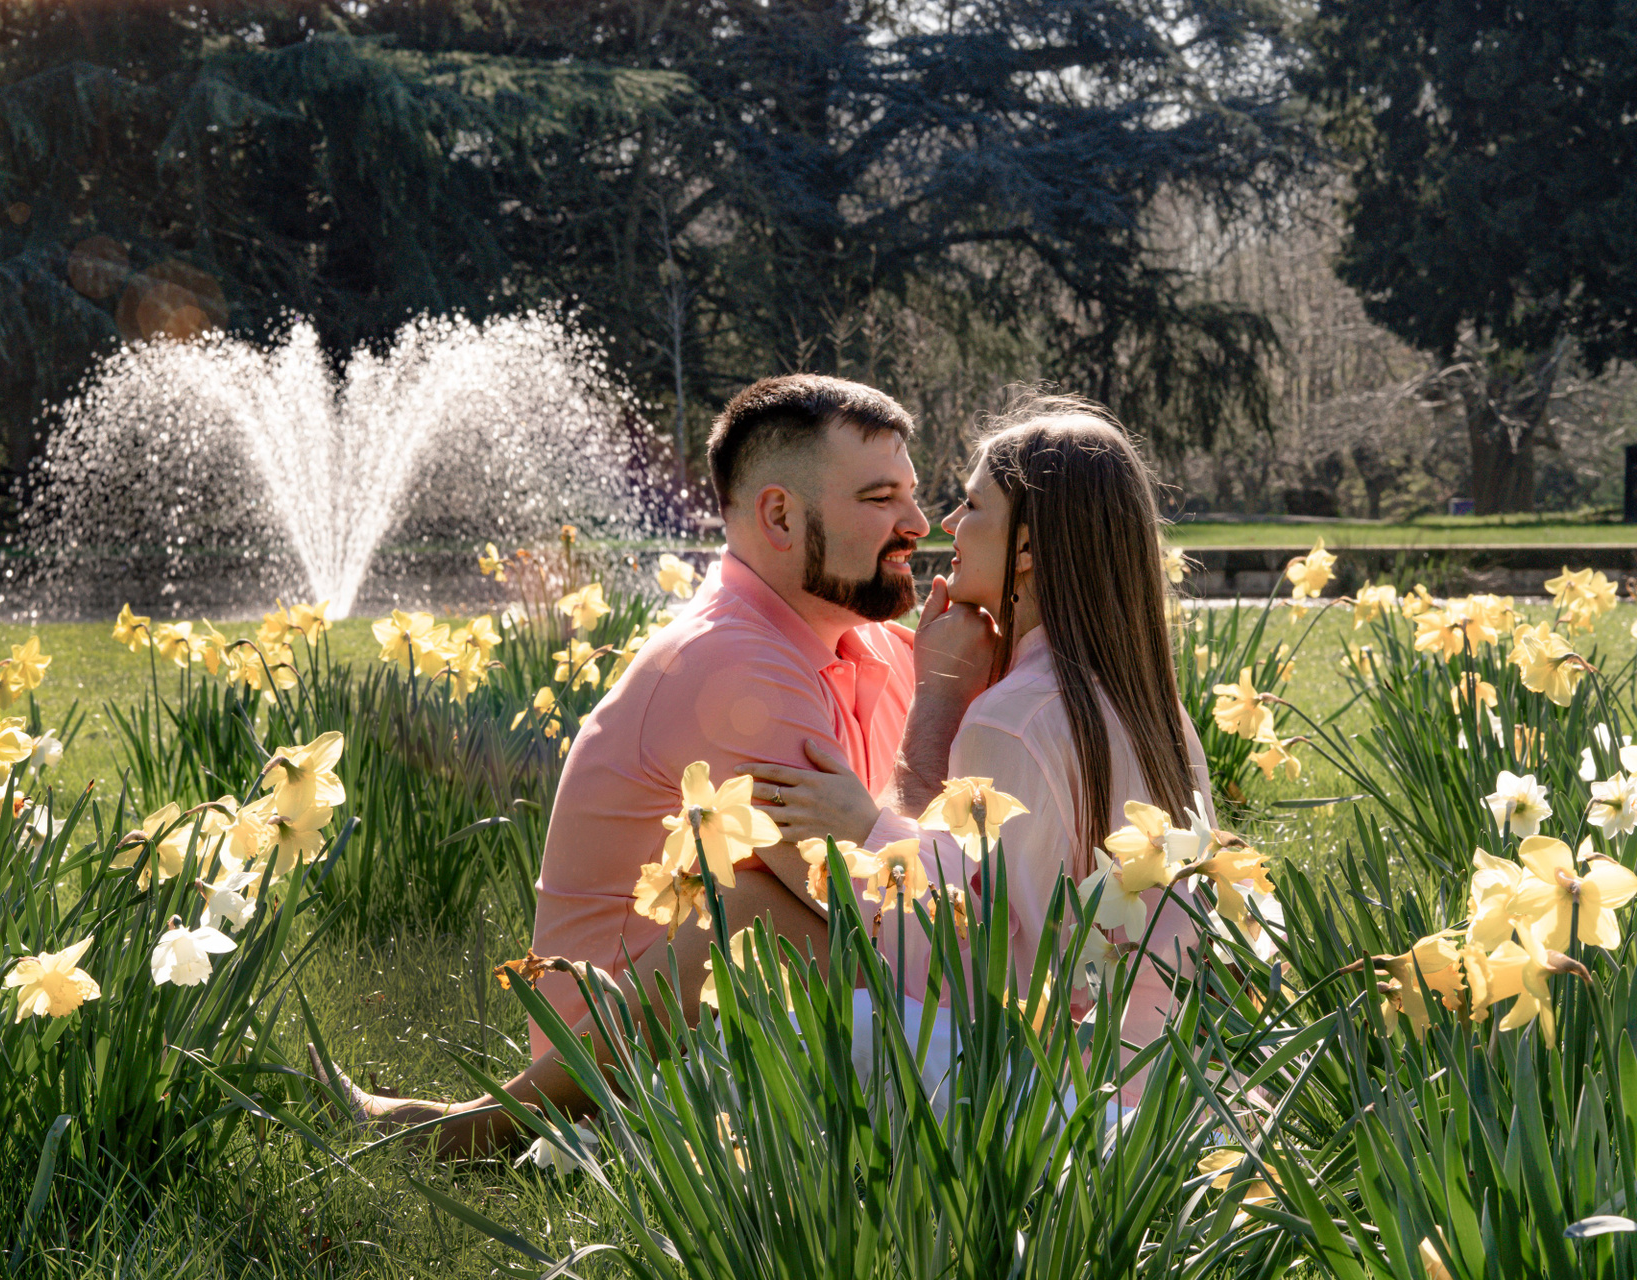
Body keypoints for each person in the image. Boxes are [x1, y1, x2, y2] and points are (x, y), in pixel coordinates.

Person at [312, 373, 998, 1152]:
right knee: (758, 914)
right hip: (636, 1073)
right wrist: (940, 710)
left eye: (913, 495)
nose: (917, 525)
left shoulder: (874, 646)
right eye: (880, 499)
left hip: (746, 1031)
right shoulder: (733, 668)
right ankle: (488, 1129)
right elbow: (892, 918)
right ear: (780, 515)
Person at [752, 390, 1214, 1103]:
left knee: (793, 1030)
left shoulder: (1013, 718)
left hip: (1063, 1103)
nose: (947, 524)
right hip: (1171, 1090)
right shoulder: (1156, 709)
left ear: (1026, 548)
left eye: (971, 505)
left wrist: (869, 824)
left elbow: (979, 978)